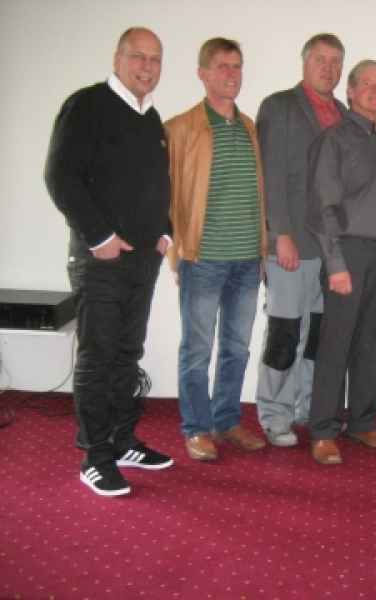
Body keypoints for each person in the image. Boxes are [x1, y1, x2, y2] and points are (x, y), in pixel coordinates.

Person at [45, 27, 173, 496]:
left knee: (127, 353)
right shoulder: (86, 105)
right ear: (118, 58)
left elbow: (158, 184)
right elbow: (60, 177)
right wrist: (99, 236)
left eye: (155, 59)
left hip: (142, 261)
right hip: (100, 260)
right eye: (138, 56)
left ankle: (122, 441)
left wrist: (165, 232)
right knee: (98, 357)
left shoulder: (151, 118)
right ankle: (95, 456)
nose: (147, 67)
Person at [165, 37, 267, 461]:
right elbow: (166, 198)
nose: (231, 74)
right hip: (203, 258)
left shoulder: (249, 128)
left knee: (237, 348)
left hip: (248, 259)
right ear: (202, 73)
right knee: (197, 349)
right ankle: (196, 428)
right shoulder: (180, 129)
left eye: (236, 66)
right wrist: (175, 251)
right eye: (222, 66)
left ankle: (226, 420)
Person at [305, 60, 376, 465]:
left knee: (373, 342)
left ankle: (364, 423)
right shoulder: (334, 140)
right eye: (367, 84)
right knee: (336, 344)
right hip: (347, 254)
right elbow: (322, 208)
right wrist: (335, 264)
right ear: (349, 91)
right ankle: (323, 431)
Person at [254, 33, 346, 447]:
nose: (328, 68)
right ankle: (275, 415)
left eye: (335, 61)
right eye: (320, 59)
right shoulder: (280, 107)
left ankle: (309, 407)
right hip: (291, 245)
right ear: (304, 62)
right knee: (285, 332)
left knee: (318, 336)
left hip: (332, 251)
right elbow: (270, 175)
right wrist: (280, 235)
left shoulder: (344, 114)